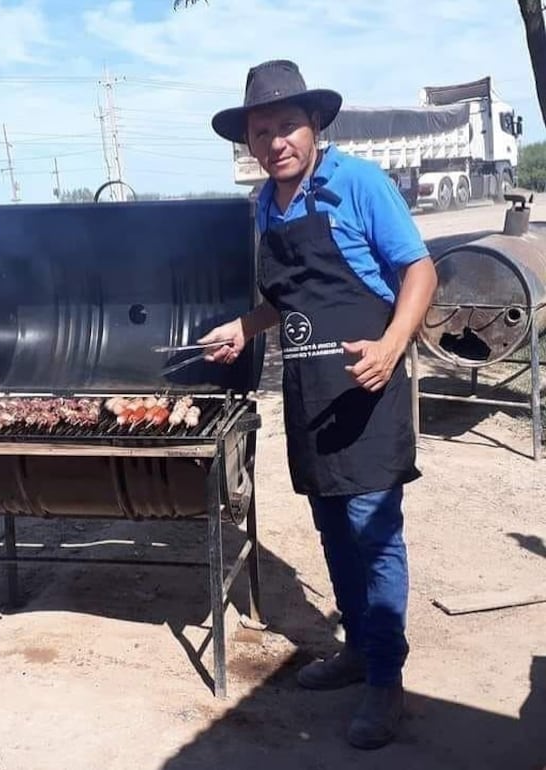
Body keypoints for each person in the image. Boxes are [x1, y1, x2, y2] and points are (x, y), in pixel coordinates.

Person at [201, 60, 438, 750]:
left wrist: (394, 345)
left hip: (367, 389)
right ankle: (360, 650)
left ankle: (387, 680)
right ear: (249, 141)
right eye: (261, 129)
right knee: (334, 529)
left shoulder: (359, 183)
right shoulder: (264, 208)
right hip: (310, 396)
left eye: (287, 125)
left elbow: (418, 270)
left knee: (373, 532)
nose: (275, 140)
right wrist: (239, 329)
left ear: (315, 126)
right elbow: (288, 300)